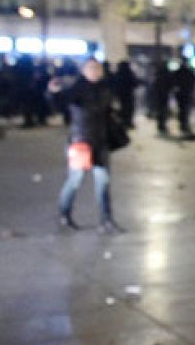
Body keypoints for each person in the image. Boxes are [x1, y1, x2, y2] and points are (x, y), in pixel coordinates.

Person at [49, 58, 124, 234]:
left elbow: (109, 112)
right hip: (81, 142)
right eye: (90, 68)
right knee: (74, 181)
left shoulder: (105, 89)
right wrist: (53, 92)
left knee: (103, 183)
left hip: (101, 141)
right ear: (83, 71)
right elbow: (60, 103)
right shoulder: (77, 89)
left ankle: (106, 220)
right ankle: (64, 215)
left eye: (97, 68)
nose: (94, 71)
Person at [111, 60, 140, 127]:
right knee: (129, 109)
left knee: (122, 108)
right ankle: (128, 122)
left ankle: (123, 122)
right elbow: (135, 83)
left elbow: (114, 85)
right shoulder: (130, 73)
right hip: (129, 94)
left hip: (120, 95)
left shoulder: (117, 74)